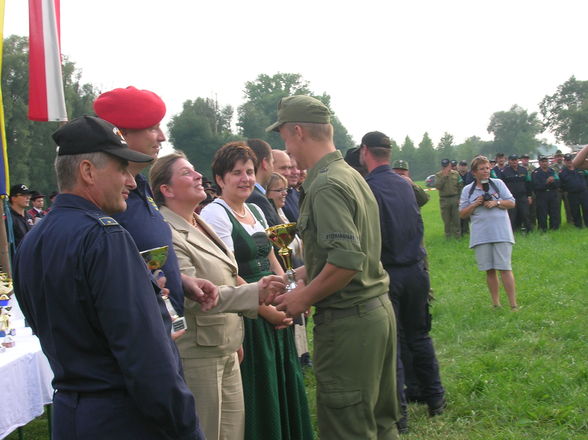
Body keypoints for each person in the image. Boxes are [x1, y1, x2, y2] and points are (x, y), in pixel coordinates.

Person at [13, 116, 204, 440]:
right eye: (121, 170)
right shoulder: (105, 238)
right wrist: (186, 428)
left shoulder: (34, 238)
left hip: (71, 414)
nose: (131, 182)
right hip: (124, 417)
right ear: (87, 171)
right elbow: (145, 357)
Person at [267, 95, 399, 440]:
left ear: (297, 131)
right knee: (380, 422)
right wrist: (302, 273)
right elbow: (351, 250)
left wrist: (303, 298)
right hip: (375, 312)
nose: (287, 149)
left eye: (284, 137)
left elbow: (346, 261)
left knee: (348, 429)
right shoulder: (350, 175)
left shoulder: (325, 185)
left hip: (349, 324)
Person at [149, 152, 286, 440]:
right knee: (207, 432)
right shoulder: (165, 231)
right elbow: (192, 295)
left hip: (223, 344)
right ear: (167, 190)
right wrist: (256, 292)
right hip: (198, 350)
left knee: (232, 433)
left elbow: (222, 273)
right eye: (187, 173)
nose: (199, 176)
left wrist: (232, 338)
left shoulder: (199, 221)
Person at [201, 142, 313, 440]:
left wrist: (291, 295)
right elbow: (230, 273)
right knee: (261, 387)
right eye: (236, 173)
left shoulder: (254, 209)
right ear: (221, 179)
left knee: (283, 379)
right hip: (250, 314)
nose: (245, 178)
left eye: (249, 171)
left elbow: (273, 256)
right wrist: (267, 311)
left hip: (277, 307)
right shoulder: (215, 214)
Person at [94, 86, 216, 318]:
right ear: (121, 134)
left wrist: (181, 281)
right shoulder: (107, 198)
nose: (162, 137)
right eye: (152, 128)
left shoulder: (139, 187)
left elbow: (142, 259)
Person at [361, 132, 445, 433]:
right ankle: (436, 398)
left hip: (390, 274)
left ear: (365, 152)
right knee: (420, 336)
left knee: (392, 346)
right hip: (416, 271)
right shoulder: (407, 184)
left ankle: (401, 415)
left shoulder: (368, 188)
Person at [459, 156, 518, 309]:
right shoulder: (468, 190)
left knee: (505, 268)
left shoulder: (498, 184)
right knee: (489, 270)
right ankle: (496, 303)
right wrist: (475, 204)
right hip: (481, 235)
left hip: (501, 233)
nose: (486, 171)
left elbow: (511, 202)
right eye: (482, 169)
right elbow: (462, 214)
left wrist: (496, 202)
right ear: (474, 172)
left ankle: (513, 304)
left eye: (487, 168)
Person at [265, 171, 310, 367]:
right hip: (285, 279)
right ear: (267, 194)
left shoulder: (283, 213)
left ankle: (302, 358)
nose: (284, 193)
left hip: (294, 276)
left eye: (285, 189)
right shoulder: (271, 217)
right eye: (279, 190)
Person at [245, 139, 283, 226]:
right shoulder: (257, 198)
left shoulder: (253, 194)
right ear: (265, 163)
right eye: (272, 162)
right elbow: (274, 235)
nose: (272, 168)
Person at [500, 154, 533, 233]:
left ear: (518, 160)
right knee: (512, 215)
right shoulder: (505, 171)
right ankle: (512, 232)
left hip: (522, 196)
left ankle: (529, 230)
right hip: (511, 197)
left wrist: (529, 196)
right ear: (509, 161)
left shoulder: (524, 170)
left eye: (515, 160)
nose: (514, 161)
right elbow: (502, 185)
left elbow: (528, 183)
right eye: (512, 160)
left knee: (525, 214)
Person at [531, 155, 561, 231]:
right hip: (541, 195)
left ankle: (554, 228)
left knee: (554, 211)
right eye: (542, 161)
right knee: (542, 213)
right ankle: (542, 228)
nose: (544, 163)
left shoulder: (552, 171)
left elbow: (558, 183)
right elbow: (535, 185)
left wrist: (553, 181)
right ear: (539, 163)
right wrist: (546, 182)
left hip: (552, 194)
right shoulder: (535, 173)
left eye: (546, 161)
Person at [435, 158, 462, 239]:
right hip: (444, 199)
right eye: (444, 166)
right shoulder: (438, 175)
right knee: (446, 220)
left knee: (456, 219)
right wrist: (444, 176)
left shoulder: (456, 174)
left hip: (455, 198)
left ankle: (457, 236)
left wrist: (460, 198)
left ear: (450, 165)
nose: (446, 167)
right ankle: (448, 236)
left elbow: (460, 186)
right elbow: (438, 186)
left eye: (447, 166)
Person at [559, 153, 588, 227]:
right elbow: (561, 184)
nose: (569, 161)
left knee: (586, 208)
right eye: (567, 160)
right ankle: (578, 225)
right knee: (575, 210)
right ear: (565, 161)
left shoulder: (580, 168)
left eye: (570, 160)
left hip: (583, 192)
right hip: (572, 194)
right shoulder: (562, 172)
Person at [5, 184, 33, 258]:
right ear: (14, 198)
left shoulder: (29, 217)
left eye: (29, 195)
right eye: (23, 195)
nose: (28, 198)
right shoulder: (7, 219)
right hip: (16, 262)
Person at [272, 149, 300, 222]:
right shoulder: (269, 196)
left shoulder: (295, 194)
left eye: (289, 168)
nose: (288, 173)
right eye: (283, 168)